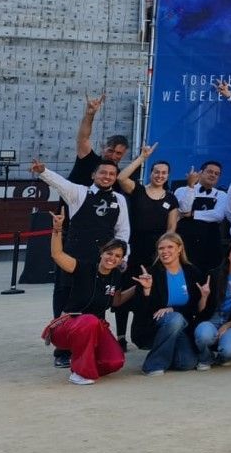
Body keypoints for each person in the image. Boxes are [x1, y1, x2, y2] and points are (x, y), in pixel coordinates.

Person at [32, 157, 131, 369]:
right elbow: (60, 183)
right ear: (93, 175)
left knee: (98, 302)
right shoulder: (78, 192)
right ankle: (62, 349)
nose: (107, 177)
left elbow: (123, 232)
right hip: (74, 257)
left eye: (112, 174)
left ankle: (91, 345)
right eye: (102, 172)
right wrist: (43, 171)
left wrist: (123, 258)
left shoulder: (120, 200)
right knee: (65, 299)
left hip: (102, 261)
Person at [44, 209, 134, 385]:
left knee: (115, 361)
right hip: (67, 326)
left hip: (94, 328)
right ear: (101, 253)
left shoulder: (116, 276)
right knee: (90, 320)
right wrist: (57, 229)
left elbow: (116, 301)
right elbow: (57, 255)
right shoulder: (83, 268)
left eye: (117, 256)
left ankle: (87, 364)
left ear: (121, 260)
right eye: (109, 253)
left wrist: (138, 288)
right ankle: (79, 372)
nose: (112, 258)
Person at [112, 144, 170, 347]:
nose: (160, 175)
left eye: (164, 173)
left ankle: (144, 334)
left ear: (168, 176)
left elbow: (171, 230)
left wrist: (165, 253)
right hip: (133, 250)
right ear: (151, 173)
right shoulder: (138, 190)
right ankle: (120, 337)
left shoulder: (171, 198)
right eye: (156, 172)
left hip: (155, 255)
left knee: (148, 294)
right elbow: (121, 178)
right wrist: (142, 158)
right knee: (124, 292)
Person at [131, 232, 208, 376]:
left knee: (187, 363)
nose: (165, 251)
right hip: (154, 325)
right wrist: (146, 290)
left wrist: (202, 297)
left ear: (179, 249)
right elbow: (140, 311)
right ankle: (153, 365)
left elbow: (195, 309)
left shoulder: (192, 272)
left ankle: (167, 351)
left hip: (182, 327)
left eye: (170, 247)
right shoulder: (151, 273)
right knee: (175, 319)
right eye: (161, 248)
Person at [193, 237, 231, 369]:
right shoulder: (213, 275)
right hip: (210, 319)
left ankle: (220, 357)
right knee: (204, 336)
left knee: (228, 353)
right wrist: (204, 297)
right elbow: (200, 311)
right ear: (228, 254)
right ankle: (206, 357)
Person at [172, 161, 228, 271]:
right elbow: (184, 209)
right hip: (185, 240)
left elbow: (218, 215)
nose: (213, 175)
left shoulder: (222, 195)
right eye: (210, 172)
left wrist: (193, 214)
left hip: (210, 242)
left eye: (216, 174)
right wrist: (190, 187)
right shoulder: (181, 190)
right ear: (200, 173)